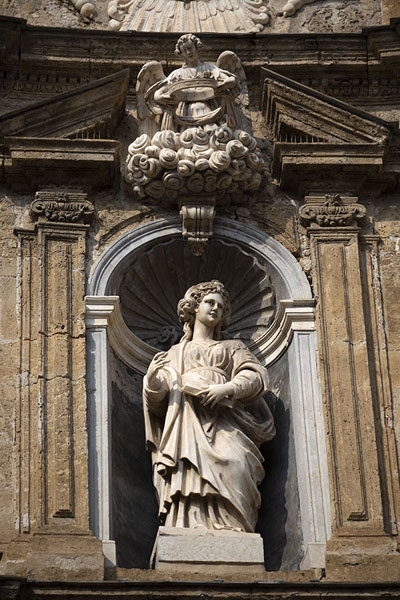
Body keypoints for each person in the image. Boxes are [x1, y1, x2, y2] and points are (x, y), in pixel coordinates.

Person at [143, 280, 275, 532]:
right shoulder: (175, 352)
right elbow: (158, 403)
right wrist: (151, 381)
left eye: (220, 306)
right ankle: (188, 527)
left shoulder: (233, 347)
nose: (215, 308)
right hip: (186, 423)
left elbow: (256, 377)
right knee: (187, 473)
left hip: (226, 420)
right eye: (209, 303)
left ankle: (235, 528)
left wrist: (228, 388)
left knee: (237, 464)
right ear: (195, 308)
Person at [153, 34, 238, 131]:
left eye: (190, 48)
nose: (188, 52)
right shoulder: (177, 74)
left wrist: (226, 83)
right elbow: (161, 90)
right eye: (184, 50)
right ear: (181, 53)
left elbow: (232, 80)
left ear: (197, 47)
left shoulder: (210, 68)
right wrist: (158, 96)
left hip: (209, 110)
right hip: (184, 114)